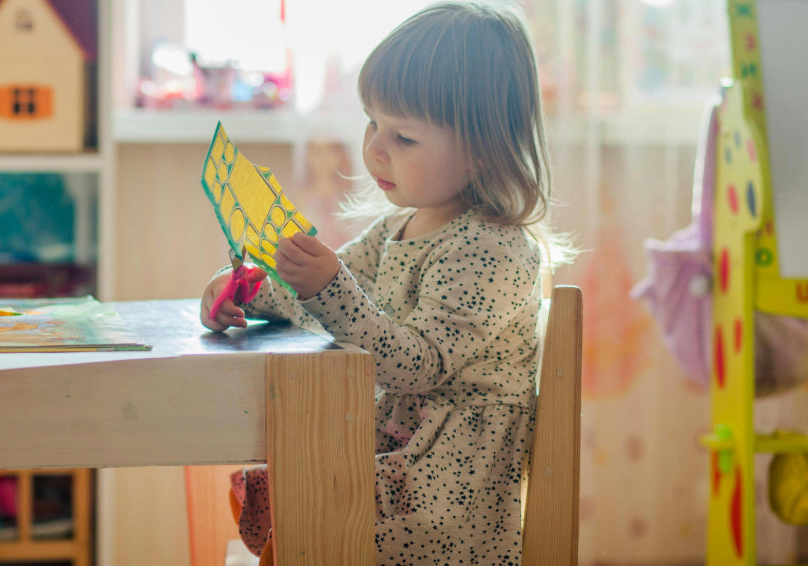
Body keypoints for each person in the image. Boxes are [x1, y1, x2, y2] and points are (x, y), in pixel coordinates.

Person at [200, 1, 574, 563]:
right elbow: (327, 301)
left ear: (483, 149)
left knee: (309, 504)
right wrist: (252, 291)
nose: (374, 147)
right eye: (373, 121)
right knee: (293, 482)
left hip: (447, 492)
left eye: (404, 137)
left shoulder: (494, 247)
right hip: (400, 451)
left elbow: (416, 363)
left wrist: (326, 287)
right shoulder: (396, 227)